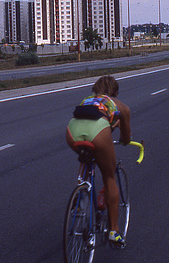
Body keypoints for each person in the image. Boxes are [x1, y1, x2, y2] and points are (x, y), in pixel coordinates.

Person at [65, 75, 131, 247]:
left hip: (72, 130)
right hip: (98, 130)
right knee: (109, 176)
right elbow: (124, 132)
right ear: (115, 92)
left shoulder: (88, 99)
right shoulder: (115, 103)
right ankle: (114, 231)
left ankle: (81, 194)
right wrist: (124, 139)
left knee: (86, 156)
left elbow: (92, 119)